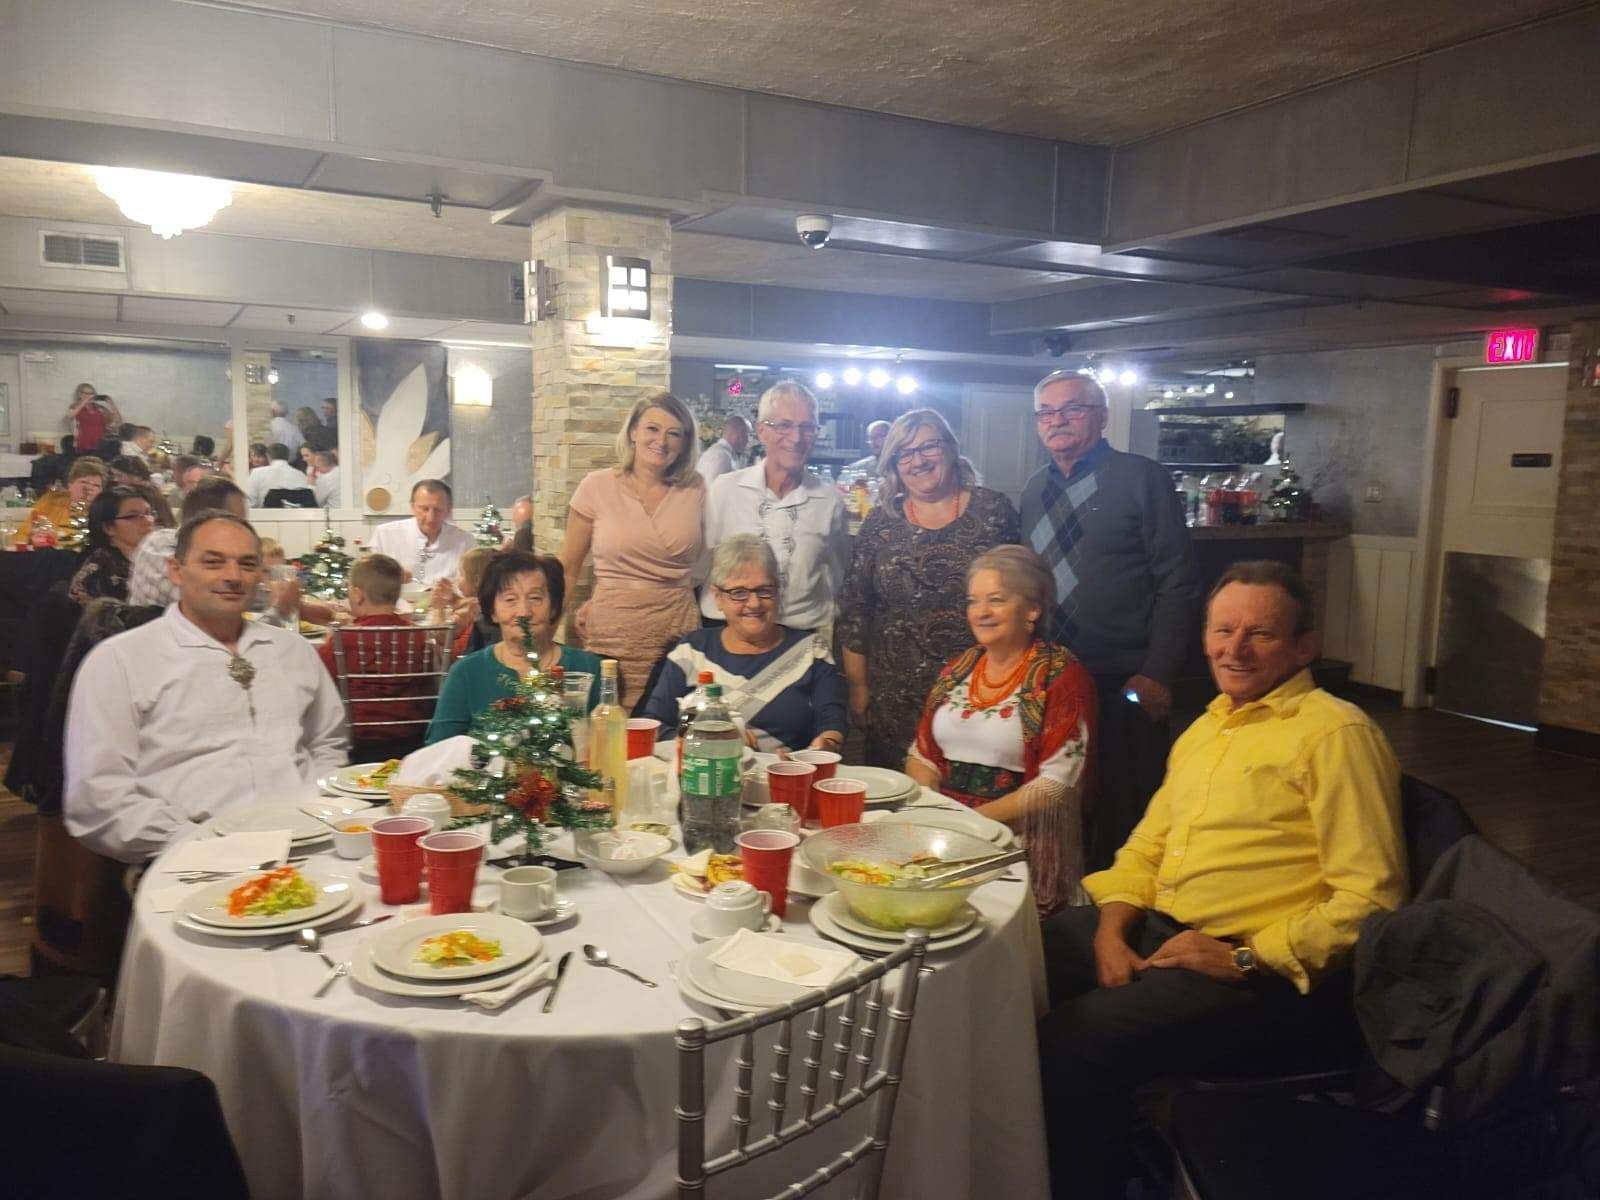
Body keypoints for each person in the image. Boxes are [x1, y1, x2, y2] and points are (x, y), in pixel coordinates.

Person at [1037, 560, 1406, 1200]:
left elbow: (1372, 899)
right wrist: (1110, 931)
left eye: (1261, 633)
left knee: (1074, 1040)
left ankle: (1080, 1182)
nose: (1235, 649)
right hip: (1164, 930)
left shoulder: (1336, 733)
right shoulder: (1208, 725)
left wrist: (1244, 957)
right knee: (1015, 962)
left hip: (1257, 973)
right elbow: (1147, 846)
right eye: (1222, 630)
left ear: (1304, 647)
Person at [63, 511, 348, 863]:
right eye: (213, 562)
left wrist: (317, 809)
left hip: (312, 846)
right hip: (191, 860)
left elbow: (327, 742)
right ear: (176, 570)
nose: (233, 576)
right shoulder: (121, 661)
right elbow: (98, 798)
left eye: (247, 564)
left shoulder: (294, 651)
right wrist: (200, 843)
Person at [1020, 370, 1201, 873]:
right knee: (1059, 798)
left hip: (1126, 678)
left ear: (1101, 417)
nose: (1057, 421)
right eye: (1046, 412)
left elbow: (1179, 582)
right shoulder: (1033, 489)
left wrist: (1159, 672)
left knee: (1127, 805)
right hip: (1053, 677)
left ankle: (1125, 902)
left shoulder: (1141, 478)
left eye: (1072, 409)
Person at [906, 546, 1095, 915]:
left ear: (1033, 609)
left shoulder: (1063, 677)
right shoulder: (958, 669)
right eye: (973, 601)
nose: (981, 612)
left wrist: (969, 823)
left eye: (996, 600)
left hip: (1018, 848)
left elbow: (1057, 785)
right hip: (946, 841)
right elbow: (921, 754)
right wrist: (936, 814)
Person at [838, 408, 1019, 767]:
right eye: (904, 453)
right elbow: (856, 608)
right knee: (896, 792)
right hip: (895, 697)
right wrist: (858, 687)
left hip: (981, 688)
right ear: (893, 464)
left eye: (929, 447)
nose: (918, 460)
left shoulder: (993, 510)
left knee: (972, 787)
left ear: (950, 448)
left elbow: (1018, 593)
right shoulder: (880, 521)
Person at [561, 391, 705, 709]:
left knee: (671, 722)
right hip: (613, 630)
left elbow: (712, 562)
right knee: (608, 720)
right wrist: (548, 638)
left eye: (674, 433)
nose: (661, 441)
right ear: (633, 431)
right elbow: (568, 570)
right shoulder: (596, 486)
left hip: (676, 628)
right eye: (652, 428)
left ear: (685, 443)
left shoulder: (697, 488)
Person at [642, 535, 846, 753]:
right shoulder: (691, 650)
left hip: (784, 769)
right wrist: (707, 739)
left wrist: (826, 744)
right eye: (738, 593)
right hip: (703, 770)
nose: (754, 603)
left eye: (764, 590)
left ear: (778, 592)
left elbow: (831, 722)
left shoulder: (812, 651)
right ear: (718, 597)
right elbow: (655, 725)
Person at [702, 382, 848, 642]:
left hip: (798, 638)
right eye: (784, 425)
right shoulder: (725, 490)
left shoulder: (829, 501)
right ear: (761, 432)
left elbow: (839, 576)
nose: (796, 438)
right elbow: (702, 564)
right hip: (726, 634)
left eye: (807, 427)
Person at [427, 552, 604, 743]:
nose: (524, 612)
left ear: (553, 608)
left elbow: (608, 745)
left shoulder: (589, 668)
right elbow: (439, 749)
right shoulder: (466, 673)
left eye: (535, 598)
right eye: (510, 600)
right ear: (493, 611)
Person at [317, 554, 433, 758]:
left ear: (357, 594)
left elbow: (322, 686)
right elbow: (428, 686)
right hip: (412, 739)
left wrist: (329, 641)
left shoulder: (343, 640)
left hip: (359, 743)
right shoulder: (418, 635)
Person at [369, 479, 476, 585]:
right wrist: (393, 578)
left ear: (449, 509)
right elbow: (370, 581)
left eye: (438, 510)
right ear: (413, 507)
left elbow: (472, 587)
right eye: (424, 509)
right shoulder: (384, 534)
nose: (431, 518)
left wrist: (452, 593)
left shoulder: (465, 541)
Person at [67, 486, 156, 603]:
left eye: (148, 513)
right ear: (109, 528)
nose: (148, 521)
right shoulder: (100, 572)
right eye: (133, 516)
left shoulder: (155, 557)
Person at [15, 457, 107, 546]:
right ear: (70, 484)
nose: (89, 489)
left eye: (96, 485)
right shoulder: (50, 503)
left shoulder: (104, 515)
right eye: (84, 482)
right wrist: (32, 540)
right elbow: (22, 537)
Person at [446, 545, 496, 657]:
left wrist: (437, 609)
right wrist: (454, 599)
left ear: (477, 580)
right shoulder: (489, 602)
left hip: (464, 659)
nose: (458, 580)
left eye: (461, 575)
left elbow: (443, 638)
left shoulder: (472, 609)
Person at [244, 443, 310, 507]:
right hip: (296, 513)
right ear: (289, 457)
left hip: (265, 513)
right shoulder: (301, 475)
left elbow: (251, 503)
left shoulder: (257, 473)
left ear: (268, 456)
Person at [696, 413, 750, 485]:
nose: (748, 440)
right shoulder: (722, 457)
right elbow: (715, 489)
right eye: (747, 435)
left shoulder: (719, 452)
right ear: (737, 434)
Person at [66, 385, 120, 451]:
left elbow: (117, 421)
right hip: (83, 444)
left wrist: (112, 404)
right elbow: (70, 415)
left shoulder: (100, 408)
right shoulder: (75, 406)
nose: (90, 396)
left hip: (101, 444)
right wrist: (85, 402)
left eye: (92, 394)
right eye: (87, 393)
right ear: (80, 394)